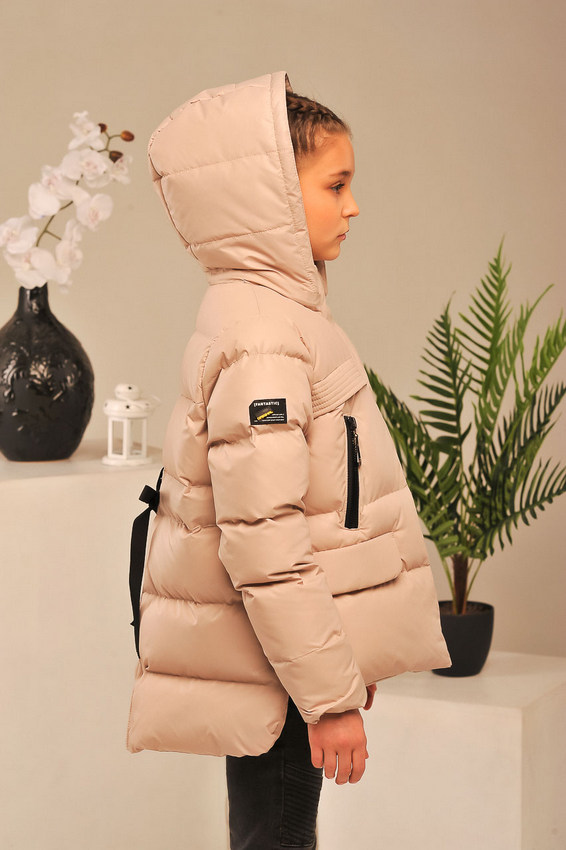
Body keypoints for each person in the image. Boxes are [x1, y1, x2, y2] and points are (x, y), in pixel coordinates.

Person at [127, 72, 450, 850]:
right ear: (270, 197)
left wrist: (343, 657)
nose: (353, 205)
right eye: (335, 184)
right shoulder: (265, 337)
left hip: (282, 658)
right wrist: (328, 696)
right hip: (277, 671)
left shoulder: (272, 314)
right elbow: (264, 540)